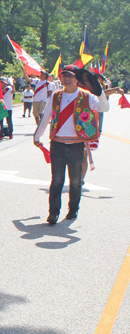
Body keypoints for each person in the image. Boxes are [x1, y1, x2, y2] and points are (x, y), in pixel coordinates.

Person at [33, 65, 109, 224]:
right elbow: (46, 116)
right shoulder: (55, 96)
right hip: (58, 144)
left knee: (75, 180)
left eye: (70, 75)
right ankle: (53, 213)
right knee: (57, 180)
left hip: (76, 145)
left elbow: (104, 107)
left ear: (77, 79)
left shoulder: (87, 96)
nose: (66, 78)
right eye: (64, 75)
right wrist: (37, 135)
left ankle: (73, 210)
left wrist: (99, 89)